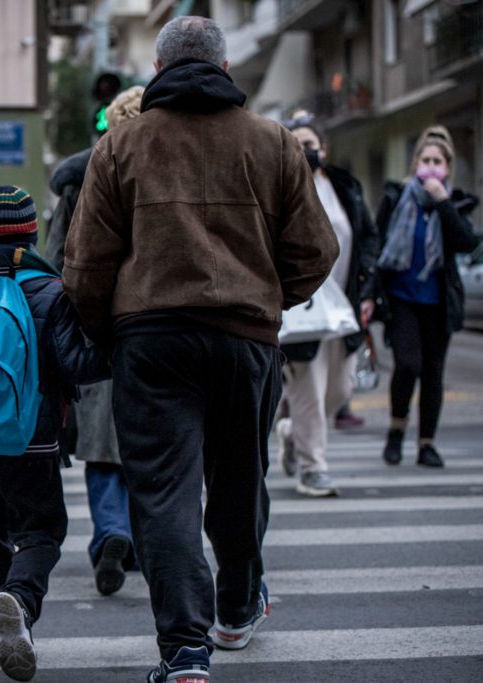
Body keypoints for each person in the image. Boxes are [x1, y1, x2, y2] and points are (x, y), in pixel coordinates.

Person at [63, 16, 338, 682]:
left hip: (152, 341)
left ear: (156, 69)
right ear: (225, 70)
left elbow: (86, 266)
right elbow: (318, 250)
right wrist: (268, 300)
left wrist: (108, 333)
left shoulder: (121, 146)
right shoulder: (273, 143)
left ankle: (186, 650)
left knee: (164, 492)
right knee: (241, 477)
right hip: (245, 337)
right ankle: (238, 606)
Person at [0, 186, 108, 682]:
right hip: (30, 437)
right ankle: (18, 599)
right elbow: (75, 366)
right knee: (41, 530)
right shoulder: (51, 290)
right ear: (32, 233)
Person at [50, 86, 147, 596]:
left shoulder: (79, 182)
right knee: (152, 449)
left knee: (102, 450)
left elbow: (57, 262)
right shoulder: (161, 171)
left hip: (98, 331)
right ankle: (143, 541)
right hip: (156, 328)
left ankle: (111, 531)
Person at [276, 111, 380, 497]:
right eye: (297, 145)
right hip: (301, 309)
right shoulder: (280, 188)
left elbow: (367, 237)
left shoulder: (345, 187)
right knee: (310, 391)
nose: (305, 151)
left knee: (340, 389)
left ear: (324, 148)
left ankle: (290, 428)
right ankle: (312, 468)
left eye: (310, 145)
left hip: (343, 308)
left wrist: (368, 288)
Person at [374, 126, 479, 468]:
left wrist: (443, 202)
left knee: (433, 373)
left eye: (438, 161)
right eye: (426, 160)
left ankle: (426, 444)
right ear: (414, 162)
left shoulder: (454, 202)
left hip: (438, 303)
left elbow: (467, 241)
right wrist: (369, 294)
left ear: (447, 167)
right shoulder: (396, 198)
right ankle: (395, 431)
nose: (431, 166)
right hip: (402, 298)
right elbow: (377, 246)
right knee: (407, 365)